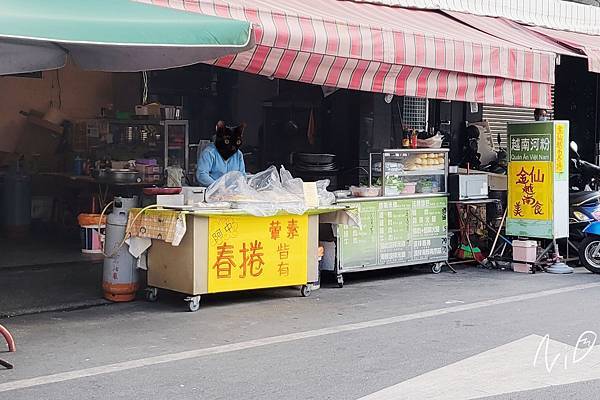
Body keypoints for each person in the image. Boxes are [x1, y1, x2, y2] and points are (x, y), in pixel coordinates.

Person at [196, 120, 246, 187]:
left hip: (233, 193)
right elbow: (201, 174)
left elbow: (242, 175)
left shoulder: (238, 155)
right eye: (227, 141)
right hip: (212, 193)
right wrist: (218, 187)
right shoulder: (210, 153)